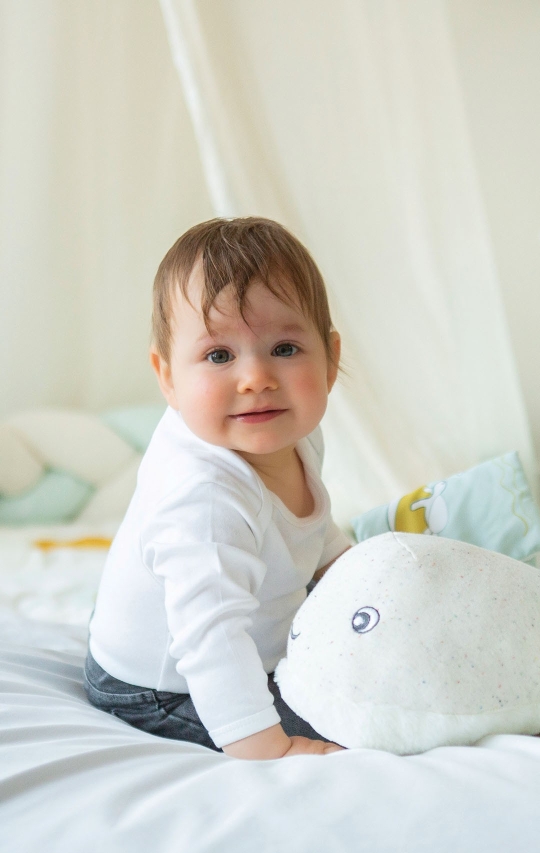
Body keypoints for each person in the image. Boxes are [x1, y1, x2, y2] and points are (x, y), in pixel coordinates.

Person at [85, 217, 350, 759]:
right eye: (219, 356)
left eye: (284, 348)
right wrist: (264, 746)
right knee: (354, 716)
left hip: (243, 644)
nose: (256, 378)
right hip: (165, 683)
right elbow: (210, 640)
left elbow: (311, 530)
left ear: (331, 360)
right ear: (167, 379)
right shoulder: (203, 497)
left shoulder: (292, 433)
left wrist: (352, 574)